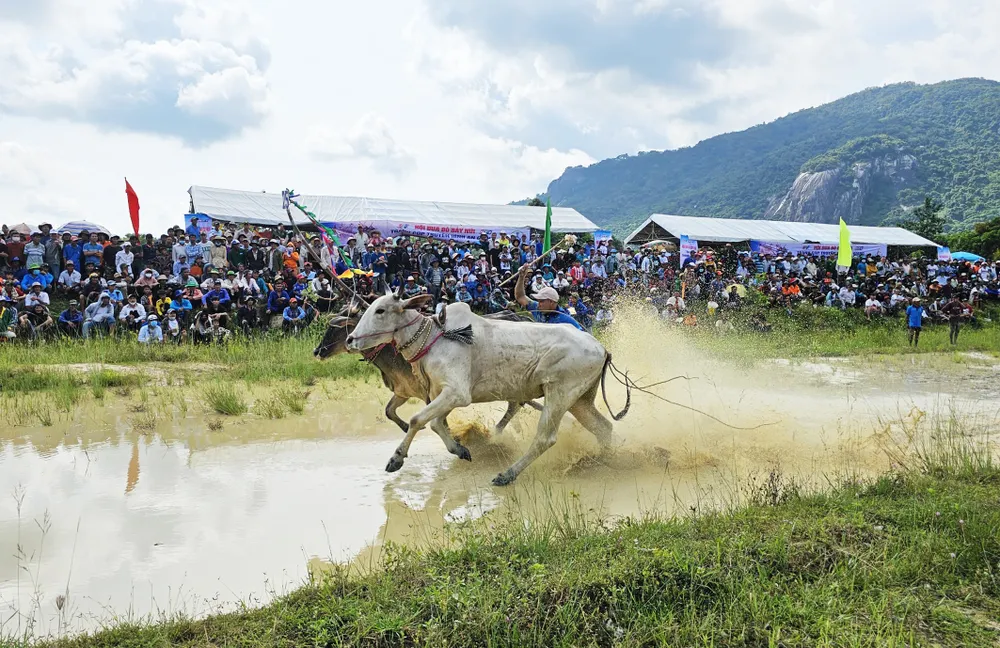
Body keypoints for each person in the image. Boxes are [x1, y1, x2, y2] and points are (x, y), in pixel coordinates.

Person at [514, 265, 584, 331]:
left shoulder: (565, 319)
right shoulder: (537, 309)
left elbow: (582, 335)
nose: (539, 304)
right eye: (538, 301)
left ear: (551, 302)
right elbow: (520, 296)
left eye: (541, 301)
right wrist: (521, 277)